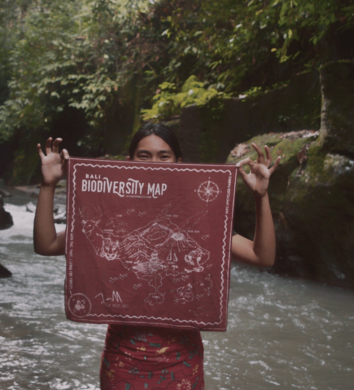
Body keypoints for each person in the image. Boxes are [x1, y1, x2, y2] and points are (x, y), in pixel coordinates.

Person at [34, 123, 281, 390]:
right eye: (144, 156)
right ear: (129, 162)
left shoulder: (198, 220)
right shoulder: (112, 216)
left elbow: (262, 256)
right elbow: (46, 245)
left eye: (164, 156)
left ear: (180, 163)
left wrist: (261, 196)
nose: (154, 163)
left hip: (183, 364)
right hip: (123, 361)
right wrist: (48, 185)